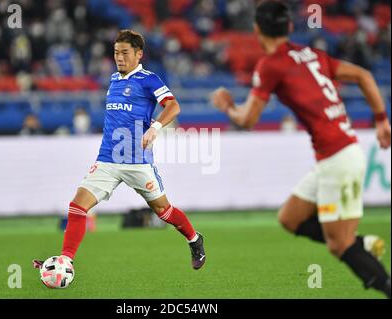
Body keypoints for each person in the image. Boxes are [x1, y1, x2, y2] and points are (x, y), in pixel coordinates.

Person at [211, 1, 391, 298]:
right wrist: (382, 121)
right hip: (335, 156)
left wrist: (228, 106)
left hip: (339, 158)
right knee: (290, 218)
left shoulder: (270, 64)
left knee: (338, 246)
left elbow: (248, 119)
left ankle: (377, 275)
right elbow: (364, 76)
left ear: (257, 29)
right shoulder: (313, 55)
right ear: (290, 27)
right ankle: (360, 246)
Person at [34, 30, 206, 273]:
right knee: (77, 206)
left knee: (163, 212)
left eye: (125, 52)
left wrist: (155, 127)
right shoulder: (114, 79)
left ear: (139, 54)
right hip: (108, 159)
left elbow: (174, 106)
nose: (119, 57)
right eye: (116, 52)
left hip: (138, 161)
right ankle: (65, 260)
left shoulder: (149, 79)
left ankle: (194, 239)